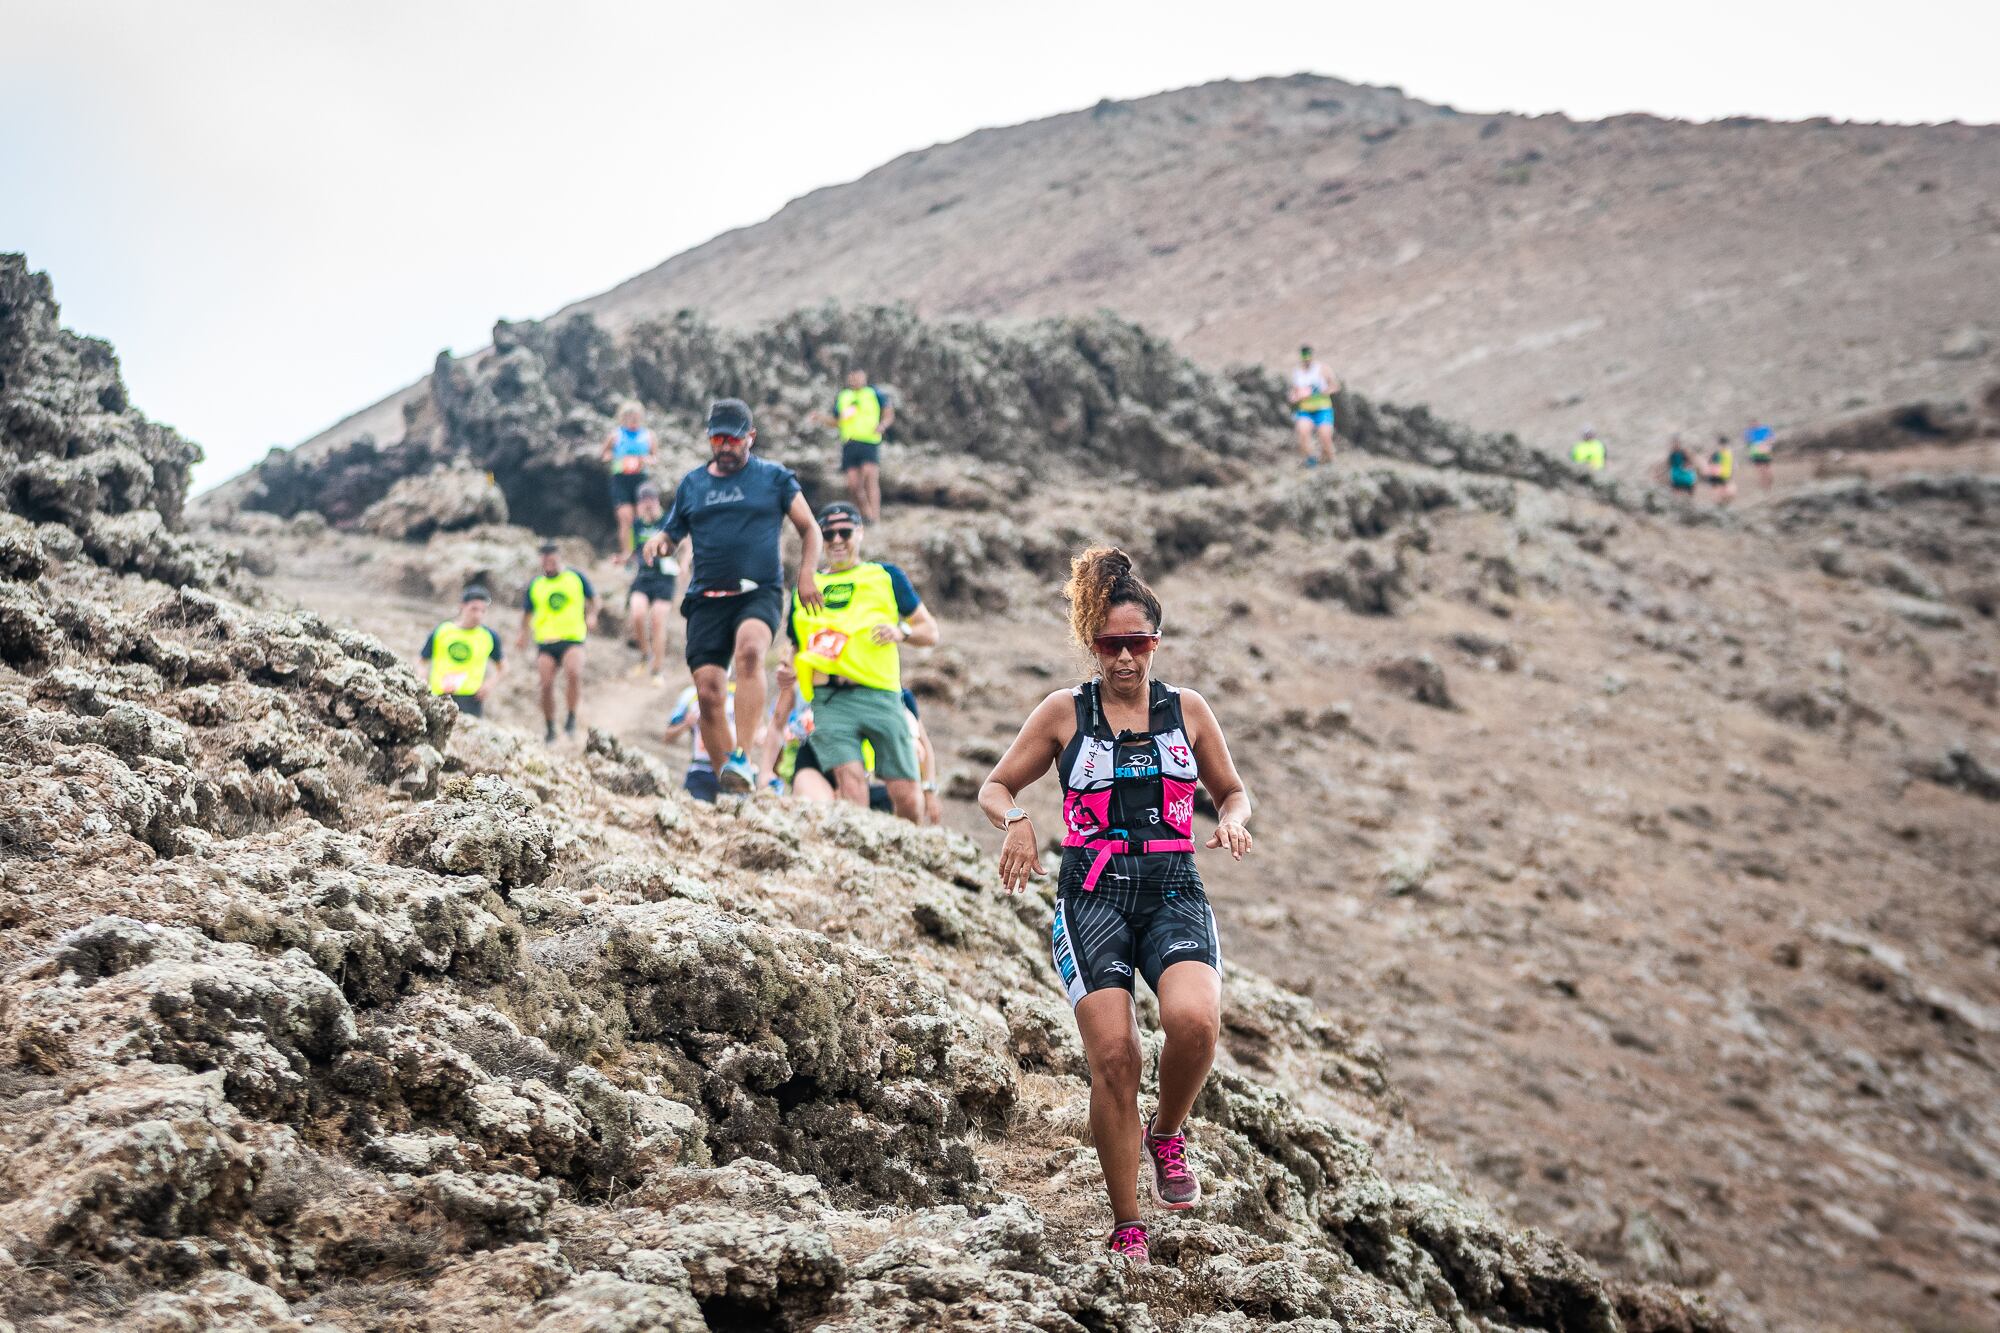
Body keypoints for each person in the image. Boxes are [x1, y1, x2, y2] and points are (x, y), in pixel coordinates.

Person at [978, 547, 1252, 1265]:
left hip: (1174, 888)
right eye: (1111, 643)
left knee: (1195, 1020)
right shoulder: (1064, 711)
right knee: (1116, 1056)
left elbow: (1231, 789)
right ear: (1093, 642)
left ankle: (1167, 1131)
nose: (1125, 657)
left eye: (1139, 642)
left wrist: (1229, 817)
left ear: (1156, 642)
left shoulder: (1188, 710)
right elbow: (996, 785)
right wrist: (1017, 822)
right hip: (1092, 894)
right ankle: (1128, 1220)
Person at [643, 398, 823, 793]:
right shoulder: (694, 484)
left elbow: (810, 528)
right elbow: (672, 533)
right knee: (707, 691)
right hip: (706, 598)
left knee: (750, 653)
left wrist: (806, 574)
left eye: (733, 439)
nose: (725, 446)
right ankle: (732, 781)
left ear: (751, 438)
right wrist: (659, 541)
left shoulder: (774, 479)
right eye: (717, 438)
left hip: (757, 593)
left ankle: (744, 753)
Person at [786, 502, 939, 822]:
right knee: (851, 785)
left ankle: (909, 857)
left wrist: (901, 631)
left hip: (880, 693)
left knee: (906, 793)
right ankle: (864, 859)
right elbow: (794, 644)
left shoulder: (885, 576)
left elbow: (930, 631)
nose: (836, 540)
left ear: (860, 533)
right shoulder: (806, 587)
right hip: (830, 699)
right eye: (828, 534)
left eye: (844, 532)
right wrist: (787, 669)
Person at [519, 540, 598, 743]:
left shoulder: (575, 577)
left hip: (572, 638)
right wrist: (523, 634)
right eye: (545, 561)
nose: (549, 564)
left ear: (559, 558)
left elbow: (595, 599)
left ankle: (571, 718)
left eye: (552, 560)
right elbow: (527, 613)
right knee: (545, 684)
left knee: (574, 673)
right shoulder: (536, 584)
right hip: (546, 641)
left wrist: (592, 615)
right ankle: (550, 727)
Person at [810, 369, 894, 524]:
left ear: (864, 377)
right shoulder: (843, 397)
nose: (855, 380)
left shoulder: (874, 393)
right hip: (849, 443)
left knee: (870, 477)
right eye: (852, 377)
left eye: (858, 377)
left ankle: (875, 517)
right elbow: (837, 421)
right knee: (853, 485)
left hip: (870, 441)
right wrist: (820, 418)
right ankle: (864, 514)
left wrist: (882, 425)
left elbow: (889, 413)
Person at [420, 585, 504, 716]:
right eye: (474, 609)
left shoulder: (489, 636)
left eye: (483, 611)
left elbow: (503, 667)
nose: (478, 615)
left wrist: (489, 685)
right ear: (462, 606)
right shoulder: (442, 631)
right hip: (440, 695)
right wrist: (424, 679)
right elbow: (422, 660)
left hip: (471, 699)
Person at [626, 483, 678, 683]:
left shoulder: (667, 520)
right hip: (644, 576)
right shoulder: (637, 524)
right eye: (643, 500)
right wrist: (624, 560)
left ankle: (657, 669)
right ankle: (644, 655)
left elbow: (681, 541)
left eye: (650, 500)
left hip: (664, 577)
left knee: (657, 621)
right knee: (637, 613)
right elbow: (633, 550)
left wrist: (683, 563)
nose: (647, 504)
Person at [600, 400, 658, 554]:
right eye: (630, 418)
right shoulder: (615, 435)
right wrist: (617, 457)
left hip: (640, 480)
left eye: (636, 418)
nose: (633, 421)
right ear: (623, 418)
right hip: (621, 479)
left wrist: (645, 459)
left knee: (642, 518)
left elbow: (654, 458)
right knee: (626, 518)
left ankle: (642, 552)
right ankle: (627, 554)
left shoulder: (648, 435)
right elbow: (604, 455)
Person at [664, 679, 734, 803]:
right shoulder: (690, 695)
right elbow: (668, 736)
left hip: (732, 772)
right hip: (700, 771)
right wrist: (686, 723)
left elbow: (759, 730)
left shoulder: (736, 693)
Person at [1286, 345, 1338, 468]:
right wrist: (1294, 397)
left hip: (1322, 409)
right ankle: (1311, 461)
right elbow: (1293, 392)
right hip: (1305, 410)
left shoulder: (1322, 369)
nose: (1306, 359)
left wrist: (1322, 391)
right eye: (1304, 356)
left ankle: (1330, 461)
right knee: (1303, 433)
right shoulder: (1297, 372)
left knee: (1325, 436)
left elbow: (1335, 386)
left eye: (1308, 355)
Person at [1659, 436, 1698, 501]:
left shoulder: (1683, 453)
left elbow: (1689, 463)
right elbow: (1668, 464)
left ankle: (1688, 501)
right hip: (1676, 475)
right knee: (1676, 490)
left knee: (1688, 488)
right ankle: (1677, 501)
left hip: (1683, 476)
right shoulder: (1672, 454)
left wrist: (1686, 467)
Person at [1745, 421, 1775, 490]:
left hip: (1760, 453)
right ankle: (1766, 484)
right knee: (1762, 470)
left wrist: (1767, 445)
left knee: (1763, 469)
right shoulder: (1750, 432)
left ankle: (1766, 483)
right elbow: (1772, 438)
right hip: (1758, 453)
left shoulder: (1752, 431)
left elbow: (1747, 443)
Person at [1708, 435, 1737, 504]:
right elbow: (1711, 465)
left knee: (1730, 493)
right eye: (1723, 445)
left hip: (1726, 475)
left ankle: (1722, 505)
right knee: (1719, 494)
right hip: (1718, 476)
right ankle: (1718, 506)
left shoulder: (1728, 453)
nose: (1724, 446)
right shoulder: (1717, 454)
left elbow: (1731, 465)